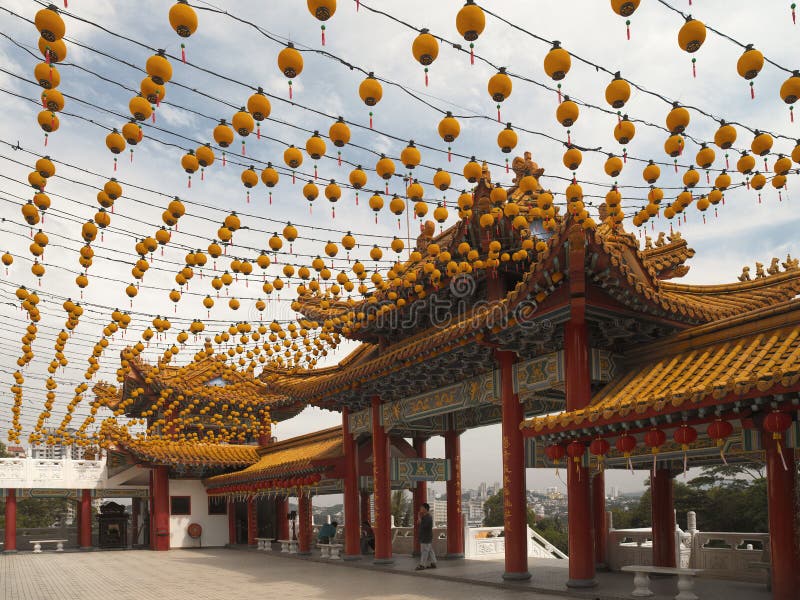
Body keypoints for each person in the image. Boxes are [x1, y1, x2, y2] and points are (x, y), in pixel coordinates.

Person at [416, 503, 436, 570]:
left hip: (426, 536)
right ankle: (433, 563)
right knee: (430, 550)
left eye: (421, 507)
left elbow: (424, 526)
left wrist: (419, 517)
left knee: (424, 551)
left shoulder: (428, 517)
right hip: (424, 536)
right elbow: (419, 523)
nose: (420, 509)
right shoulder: (424, 516)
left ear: (425, 509)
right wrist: (419, 517)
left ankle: (422, 565)